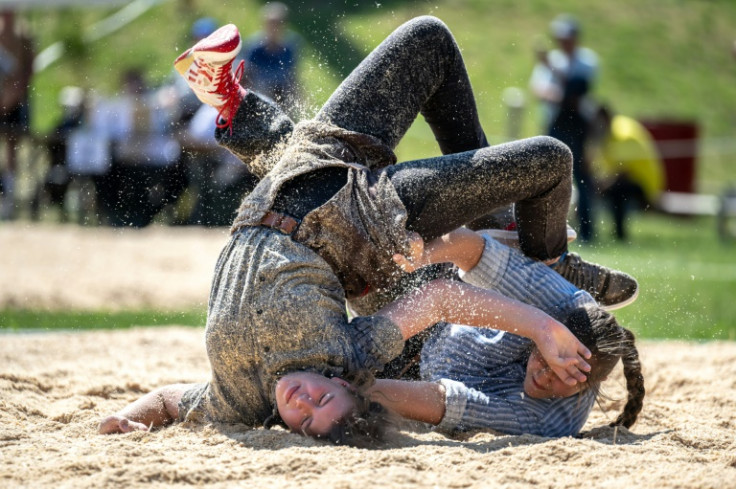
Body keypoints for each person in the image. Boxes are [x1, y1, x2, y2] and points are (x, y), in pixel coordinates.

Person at [99, 16, 636, 443]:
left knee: (296, 165)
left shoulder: (238, 401)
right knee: (434, 45)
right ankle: (549, 258)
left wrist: (128, 418)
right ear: (343, 386)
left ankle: (233, 105)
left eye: (305, 421)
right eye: (324, 403)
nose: (305, 404)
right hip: (365, 219)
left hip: (302, 183)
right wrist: (541, 322)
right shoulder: (346, 358)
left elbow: (172, 400)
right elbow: (439, 299)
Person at [589, 104, 665, 241]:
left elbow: (624, 172)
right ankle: (610, 232)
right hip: (632, 178)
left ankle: (620, 235)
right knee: (611, 188)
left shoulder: (623, 135)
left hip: (644, 183)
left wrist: (602, 186)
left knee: (617, 190)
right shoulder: (613, 130)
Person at [238, 1, 302, 113]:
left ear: (284, 25)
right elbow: (245, 77)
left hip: (283, 94)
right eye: (270, 24)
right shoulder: (254, 48)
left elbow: (293, 76)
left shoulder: (290, 48)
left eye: (277, 24)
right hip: (260, 93)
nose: (273, 29)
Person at [0, 10, 34, 220]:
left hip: (15, 101)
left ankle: (10, 195)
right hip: (6, 98)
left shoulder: (24, 35)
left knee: (13, 145)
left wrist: (13, 96)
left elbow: (27, 71)